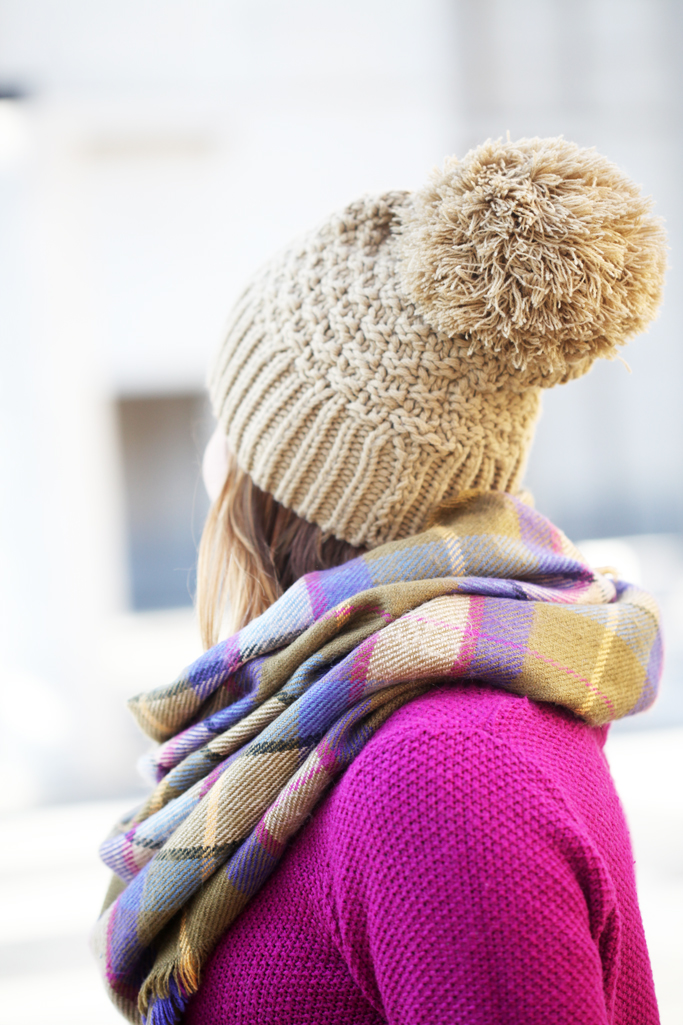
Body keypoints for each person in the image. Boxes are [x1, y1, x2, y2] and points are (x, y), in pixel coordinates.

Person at [93, 137, 667, 1025]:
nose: (212, 460)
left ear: (285, 484)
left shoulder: (439, 775)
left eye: (232, 425)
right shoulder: (370, 733)